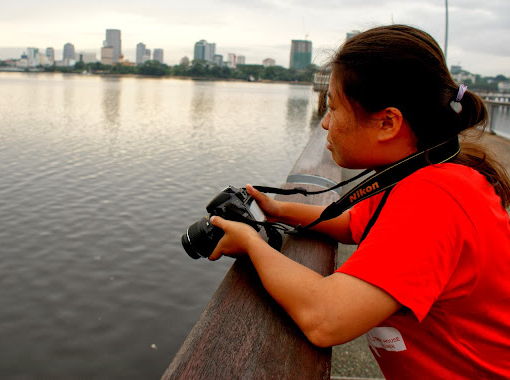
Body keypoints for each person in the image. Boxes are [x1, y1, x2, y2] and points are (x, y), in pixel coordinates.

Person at [208, 24, 510, 379]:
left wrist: (251, 244)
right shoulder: (422, 173)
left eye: (333, 108)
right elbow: (355, 224)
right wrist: (280, 210)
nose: (325, 124)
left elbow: (325, 319)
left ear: (387, 123)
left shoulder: (435, 199)